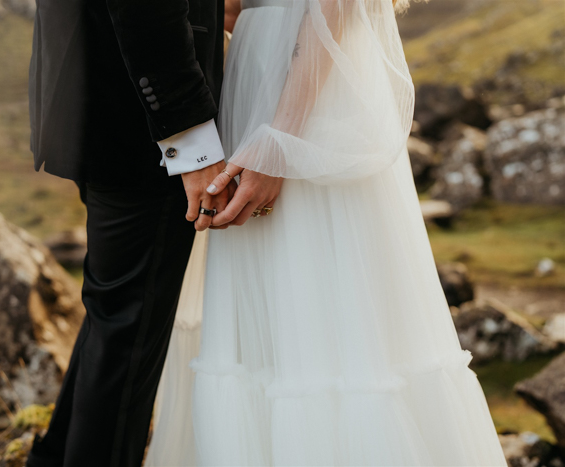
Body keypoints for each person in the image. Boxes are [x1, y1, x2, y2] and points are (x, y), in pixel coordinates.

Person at [145, 0, 509, 465]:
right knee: (271, 323)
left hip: (312, 88)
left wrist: (282, 139)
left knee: (337, 323)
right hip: (258, 71)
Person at [24, 1, 236, 465]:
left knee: (115, 312)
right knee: (127, 334)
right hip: (139, 124)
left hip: (97, 96)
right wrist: (190, 141)